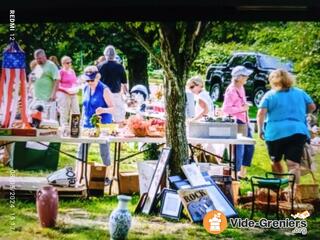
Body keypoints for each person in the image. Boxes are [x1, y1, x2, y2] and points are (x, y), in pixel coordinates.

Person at [257, 69, 316, 184]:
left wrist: (260, 129)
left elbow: (261, 113)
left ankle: (279, 187)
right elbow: (312, 107)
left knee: (275, 161)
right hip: (297, 131)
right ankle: (293, 194)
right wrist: (301, 112)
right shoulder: (300, 92)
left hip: (275, 133)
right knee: (293, 164)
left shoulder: (270, 95)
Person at [77, 66, 114, 184]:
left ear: (98, 77)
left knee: (104, 152)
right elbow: (84, 106)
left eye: (92, 80)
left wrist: (103, 110)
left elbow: (113, 109)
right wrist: (81, 122)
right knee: (81, 150)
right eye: (87, 80)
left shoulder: (104, 89)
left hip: (103, 125)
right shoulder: (85, 89)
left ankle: (108, 176)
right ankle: (79, 175)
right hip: (87, 124)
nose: (89, 82)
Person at [222, 65, 255, 180]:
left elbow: (241, 104)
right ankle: (235, 174)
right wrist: (242, 109)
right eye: (245, 76)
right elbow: (226, 109)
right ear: (239, 77)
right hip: (236, 121)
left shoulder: (241, 87)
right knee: (239, 148)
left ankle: (242, 173)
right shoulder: (231, 90)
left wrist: (244, 108)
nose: (247, 78)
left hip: (244, 120)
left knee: (249, 146)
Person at [98, 45, 128, 122]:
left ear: (105, 54)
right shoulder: (120, 66)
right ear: (114, 55)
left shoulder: (100, 66)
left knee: (104, 114)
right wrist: (127, 94)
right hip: (115, 94)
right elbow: (124, 83)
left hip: (103, 94)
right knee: (119, 116)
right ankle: (117, 131)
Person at [56, 56, 80, 126]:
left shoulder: (72, 71)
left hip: (73, 93)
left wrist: (77, 85)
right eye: (67, 63)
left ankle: (75, 128)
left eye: (70, 62)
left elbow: (75, 82)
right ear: (63, 63)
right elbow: (57, 85)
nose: (69, 64)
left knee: (76, 110)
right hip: (64, 94)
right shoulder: (60, 72)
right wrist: (66, 90)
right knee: (64, 112)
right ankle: (64, 128)